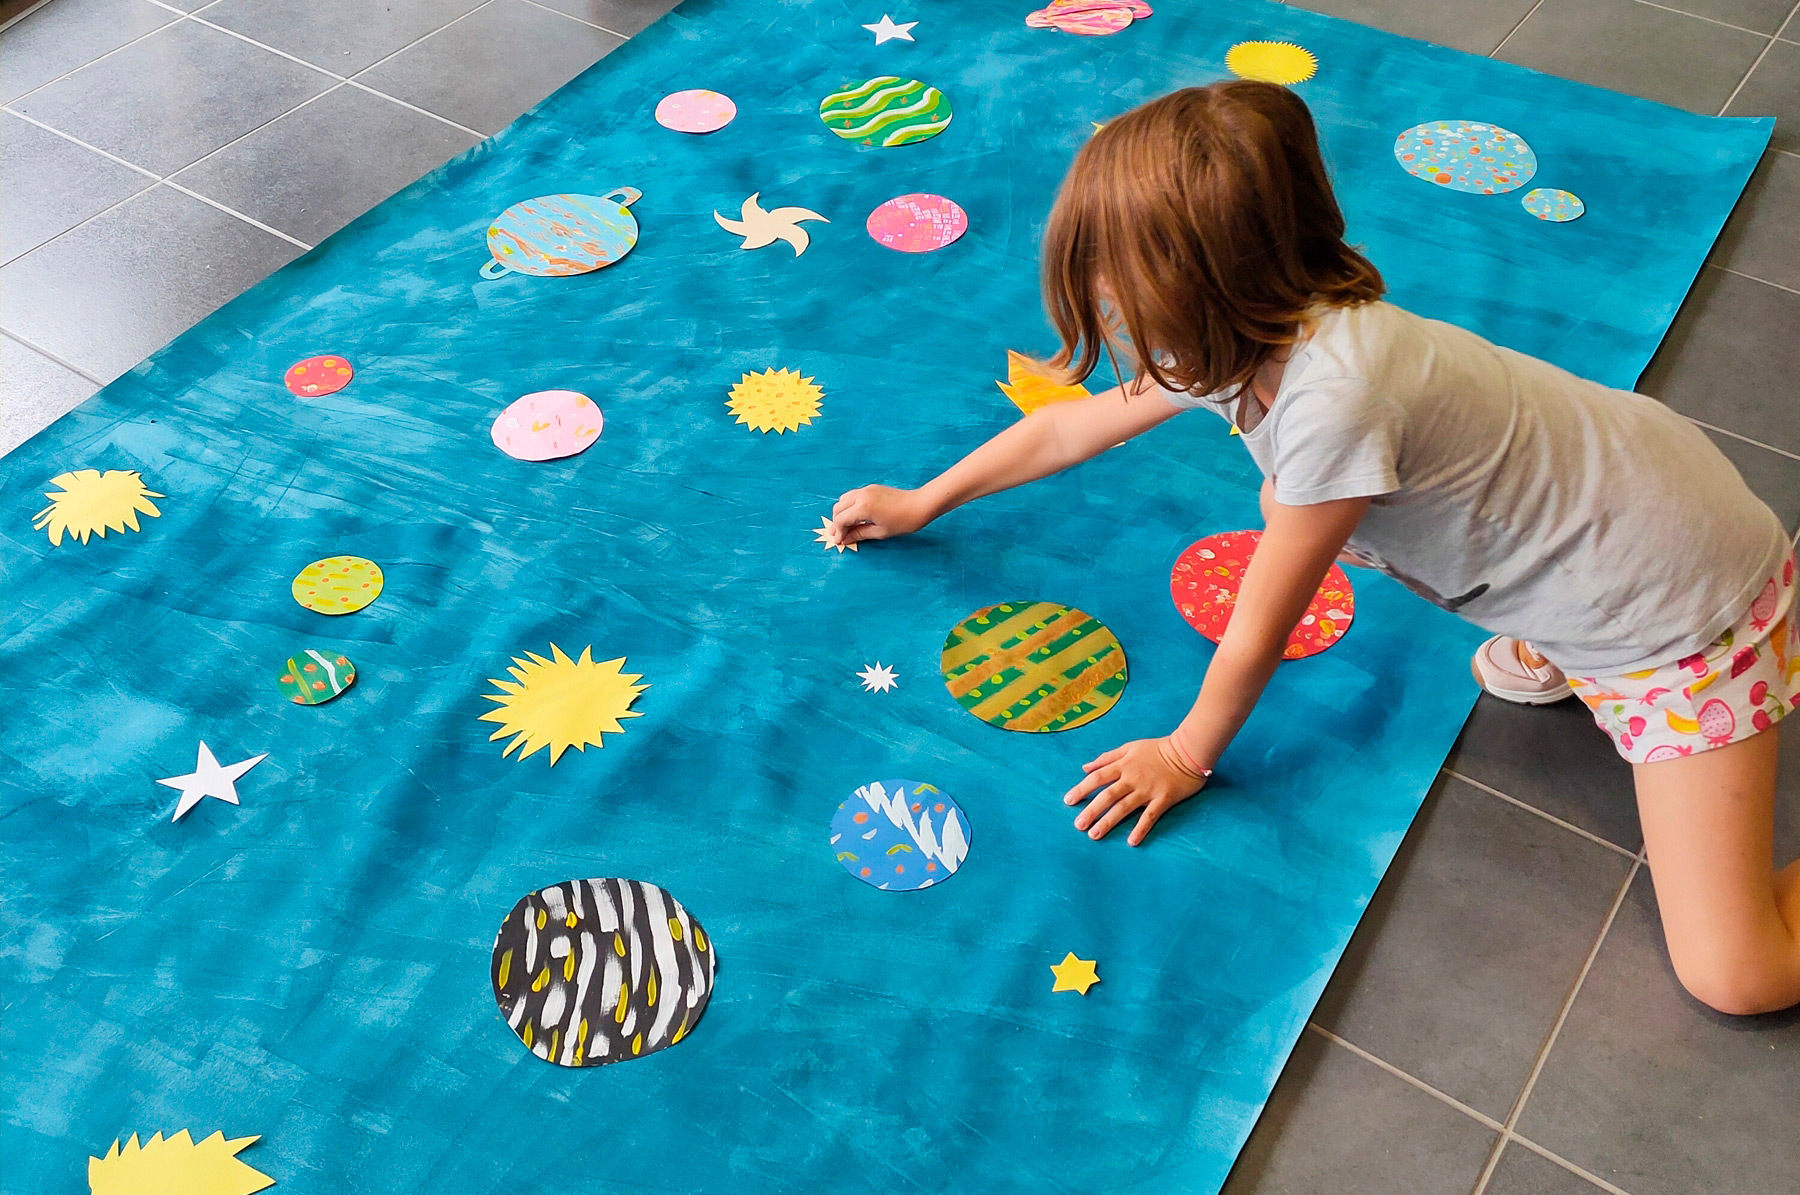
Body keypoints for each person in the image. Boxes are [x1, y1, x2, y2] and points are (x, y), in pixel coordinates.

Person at [827, 83, 1798, 1015]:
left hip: (1680, 615)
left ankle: (1624, 655)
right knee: (1456, 595)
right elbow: (1069, 428)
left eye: (1112, 272)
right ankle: (1563, 634)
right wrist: (924, 499)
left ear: (1195, 282)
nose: (1102, 294)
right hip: (1623, 498)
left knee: (1735, 971)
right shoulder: (1248, 322)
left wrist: (1184, 752)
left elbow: (1261, 624)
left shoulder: (1333, 401)